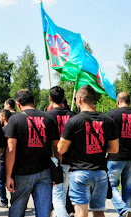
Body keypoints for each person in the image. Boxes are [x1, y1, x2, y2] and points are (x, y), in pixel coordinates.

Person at [58, 85, 119, 217]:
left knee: (80, 212)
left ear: (79, 100)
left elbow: (61, 149)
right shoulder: (108, 120)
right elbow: (114, 148)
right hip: (101, 173)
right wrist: (99, 147)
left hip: (80, 172)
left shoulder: (73, 121)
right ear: (94, 100)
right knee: (98, 211)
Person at [5, 89, 60, 217]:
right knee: (43, 212)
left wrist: (8, 176)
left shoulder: (15, 120)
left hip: (21, 173)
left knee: (17, 211)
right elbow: (57, 147)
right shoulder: (49, 118)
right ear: (34, 102)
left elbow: (11, 149)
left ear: (18, 104)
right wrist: (58, 167)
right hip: (45, 172)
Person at [47, 86, 75, 217]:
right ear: (64, 98)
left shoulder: (46, 117)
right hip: (72, 161)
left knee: (57, 197)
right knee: (63, 194)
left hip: (54, 162)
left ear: (50, 99)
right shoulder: (73, 116)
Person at [106, 92, 131, 217]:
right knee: (128, 189)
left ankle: (123, 209)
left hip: (115, 157)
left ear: (118, 102)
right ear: (130, 102)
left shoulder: (112, 114)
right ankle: (125, 210)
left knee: (111, 185)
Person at [0, 109, 12, 208]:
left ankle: (4, 201)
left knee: (1, 181)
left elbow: (0, 147)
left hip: (3, 159)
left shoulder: (2, 130)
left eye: (0, 116)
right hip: (13, 158)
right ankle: (14, 200)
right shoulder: (14, 128)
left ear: (4, 117)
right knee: (13, 180)